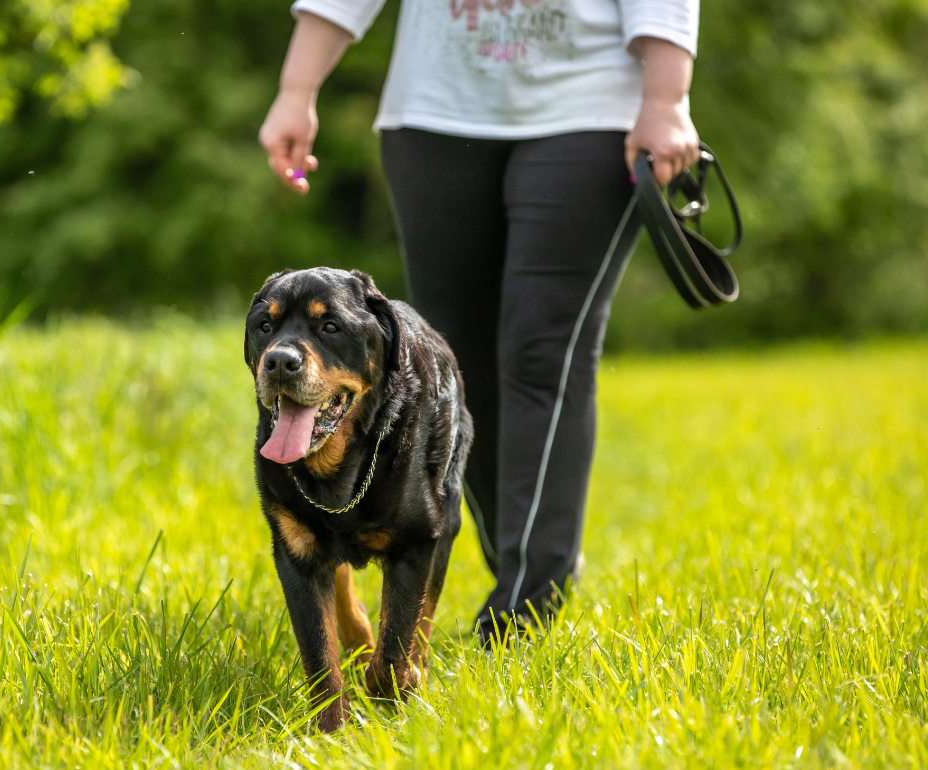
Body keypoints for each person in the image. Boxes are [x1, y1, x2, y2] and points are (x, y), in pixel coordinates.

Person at [259, 0, 700, 639]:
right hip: (435, 112)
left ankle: (530, 598)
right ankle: (514, 558)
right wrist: (297, 89)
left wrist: (667, 94)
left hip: (592, 109)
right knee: (455, 362)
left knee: (540, 350)